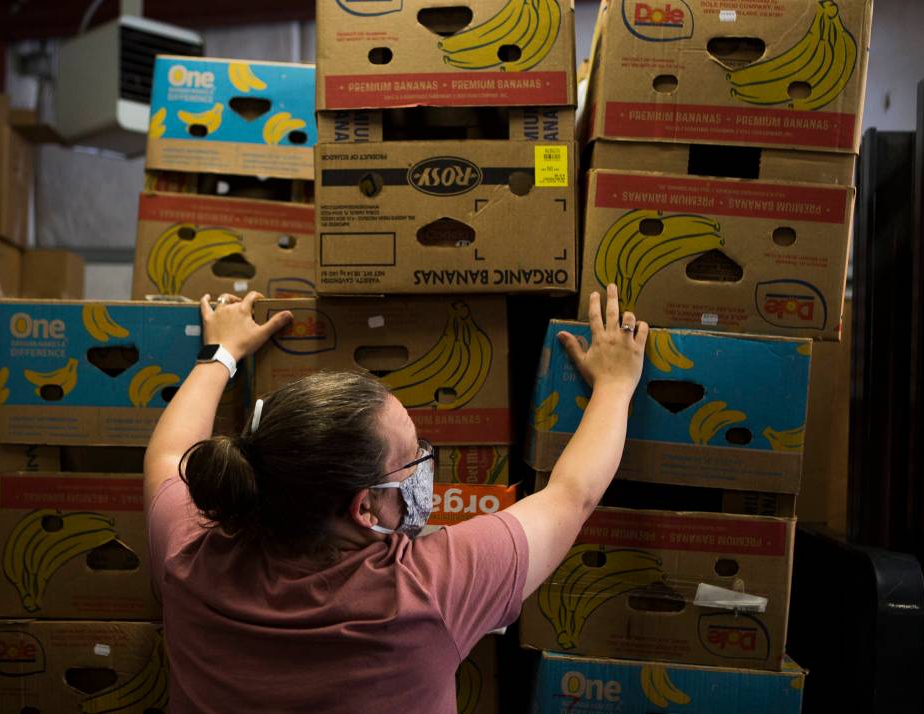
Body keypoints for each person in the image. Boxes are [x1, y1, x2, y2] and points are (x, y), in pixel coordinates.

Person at [144, 285, 647, 714]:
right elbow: (573, 494)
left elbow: (169, 454)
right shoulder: (428, 591)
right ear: (364, 508)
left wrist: (222, 354)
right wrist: (616, 384)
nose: (425, 460)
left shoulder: (188, 553)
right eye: (411, 456)